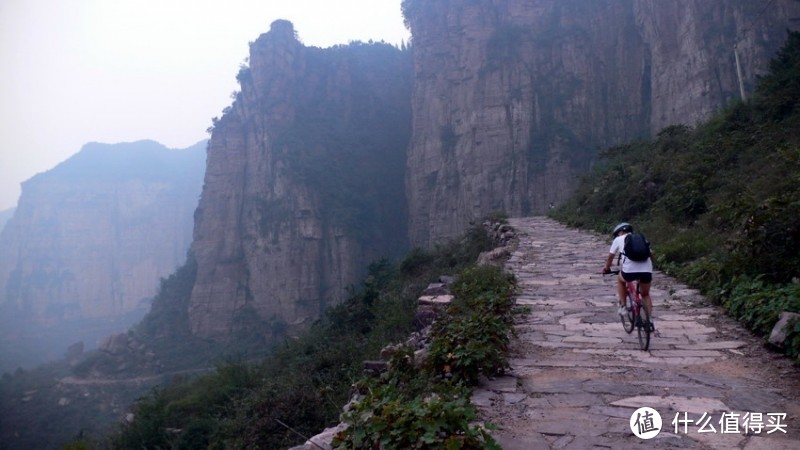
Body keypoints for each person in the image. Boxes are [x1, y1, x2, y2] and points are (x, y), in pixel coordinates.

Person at [602, 222, 654, 330]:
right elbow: (651, 254)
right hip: (647, 270)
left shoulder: (618, 239)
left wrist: (606, 268)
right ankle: (649, 320)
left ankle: (623, 306)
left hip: (629, 271)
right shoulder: (640, 238)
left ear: (620, 232)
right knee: (645, 294)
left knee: (621, 280)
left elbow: (610, 257)